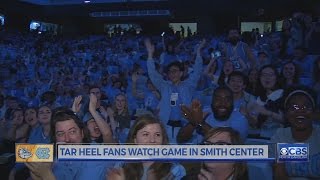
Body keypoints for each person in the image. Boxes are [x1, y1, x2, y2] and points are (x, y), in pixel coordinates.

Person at [25, 108, 114, 180]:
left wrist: (46, 174)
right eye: (60, 134)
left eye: (72, 132)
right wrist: (35, 172)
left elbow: (107, 134)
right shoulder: (59, 155)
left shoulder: (96, 158)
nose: (67, 139)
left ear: (82, 133)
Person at [145, 38, 204, 143]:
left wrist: (198, 52)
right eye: (170, 72)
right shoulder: (164, 86)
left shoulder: (188, 86)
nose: (172, 74)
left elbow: (198, 70)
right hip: (166, 127)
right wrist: (150, 55)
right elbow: (153, 74)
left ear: (181, 73)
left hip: (184, 127)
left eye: (175, 71)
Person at [106, 114, 186, 180]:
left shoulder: (175, 170)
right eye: (145, 134)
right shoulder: (122, 166)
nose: (152, 140)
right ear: (135, 140)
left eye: (157, 135)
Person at [271, 88, 320, 179]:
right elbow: (280, 174)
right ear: (286, 113)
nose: (300, 111)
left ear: (314, 112)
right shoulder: (281, 135)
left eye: (306, 107)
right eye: (294, 107)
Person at [177, 86, 248, 144]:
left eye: (227, 99)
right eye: (218, 99)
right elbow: (181, 139)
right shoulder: (203, 113)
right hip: (202, 159)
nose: (222, 103)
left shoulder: (241, 119)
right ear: (212, 101)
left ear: (233, 103)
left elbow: (226, 144)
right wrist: (192, 122)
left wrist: (200, 123)